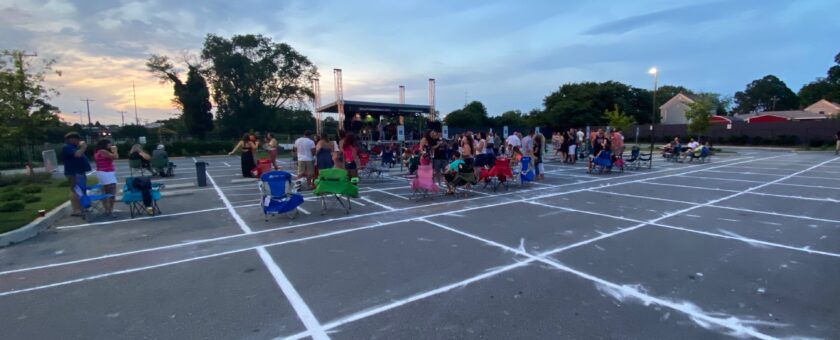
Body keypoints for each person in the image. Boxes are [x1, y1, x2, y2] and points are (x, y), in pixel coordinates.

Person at [62, 133, 91, 217]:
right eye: (77, 139)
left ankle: (82, 207)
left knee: (82, 190)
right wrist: (84, 147)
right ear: (71, 139)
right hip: (73, 172)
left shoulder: (74, 147)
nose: (79, 141)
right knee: (75, 190)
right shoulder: (66, 147)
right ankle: (76, 210)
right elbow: (77, 154)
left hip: (80, 172)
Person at [93, 139, 118, 217]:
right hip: (106, 173)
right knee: (111, 191)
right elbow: (115, 157)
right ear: (105, 144)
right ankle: (109, 209)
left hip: (103, 172)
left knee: (105, 191)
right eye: (109, 144)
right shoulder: (103, 151)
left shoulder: (98, 151)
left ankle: (107, 209)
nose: (110, 145)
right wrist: (115, 150)